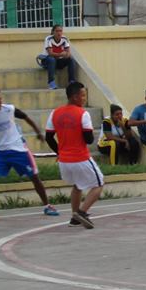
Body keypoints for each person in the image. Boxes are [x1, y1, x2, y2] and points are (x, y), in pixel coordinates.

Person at [0, 88, 59, 219]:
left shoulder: (8, 109)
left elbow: (26, 117)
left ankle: (47, 205)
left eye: (0, 98)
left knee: (34, 177)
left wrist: (38, 132)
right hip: (1, 153)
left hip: (19, 150)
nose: (0, 101)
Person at [46, 82, 103, 229]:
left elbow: (49, 137)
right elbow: (89, 139)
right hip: (80, 157)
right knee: (98, 184)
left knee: (78, 185)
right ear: (75, 96)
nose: (84, 98)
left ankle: (74, 218)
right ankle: (82, 212)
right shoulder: (83, 113)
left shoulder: (55, 113)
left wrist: (59, 151)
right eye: (83, 95)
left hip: (64, 160)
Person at [38, 25, 77, 91]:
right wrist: (61, 54)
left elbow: (68, 53)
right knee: (52, 59)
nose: (59, 33)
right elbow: (50, 53)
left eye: (60, 31)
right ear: (53, 32)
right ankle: (51, 83)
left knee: (71, 60)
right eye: (57, 31)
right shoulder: (48, 39)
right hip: (47, 61)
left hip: (58, 61)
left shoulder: (64, 39)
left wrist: (66, 55)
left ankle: (71, 81)